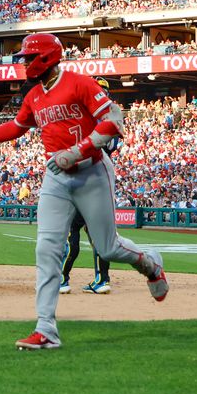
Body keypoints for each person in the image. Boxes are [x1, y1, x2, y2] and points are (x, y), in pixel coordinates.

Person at [0, 33, 167, 351]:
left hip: (92, 172)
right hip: (56, 178)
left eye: (29, 58)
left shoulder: (79, 83)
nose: (25, 63)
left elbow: (113, 122)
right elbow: (16, 127)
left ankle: (150, 264)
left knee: (108, 248)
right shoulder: (34, 96)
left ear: (46, 58)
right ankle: (46, 328)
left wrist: (78, 151)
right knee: (46, 250)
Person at [61, 77, 116, 295]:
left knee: (69, 232)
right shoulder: (111, 119)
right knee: (99, 237)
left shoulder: (85, 118)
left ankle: (63, 279)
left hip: (81, 182)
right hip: (100, 184)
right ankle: (102, 280)